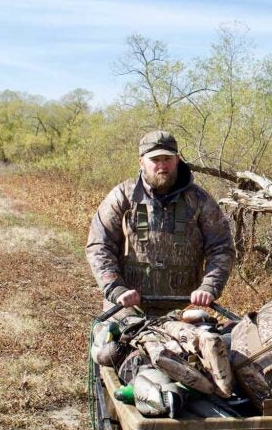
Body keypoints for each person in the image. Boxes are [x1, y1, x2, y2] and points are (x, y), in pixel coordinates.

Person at [86, 130, 235, 317]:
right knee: (108, 346)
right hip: (127, 307)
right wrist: (116, 289)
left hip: (184, 309)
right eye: (155, 160)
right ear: (141, 161)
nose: (162, 166)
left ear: (177, 160)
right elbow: (99, 245)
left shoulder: (200, 200)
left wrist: (209, 286)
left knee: (210, 344)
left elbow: (221, 248)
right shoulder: (123, 196)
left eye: (167, 159)